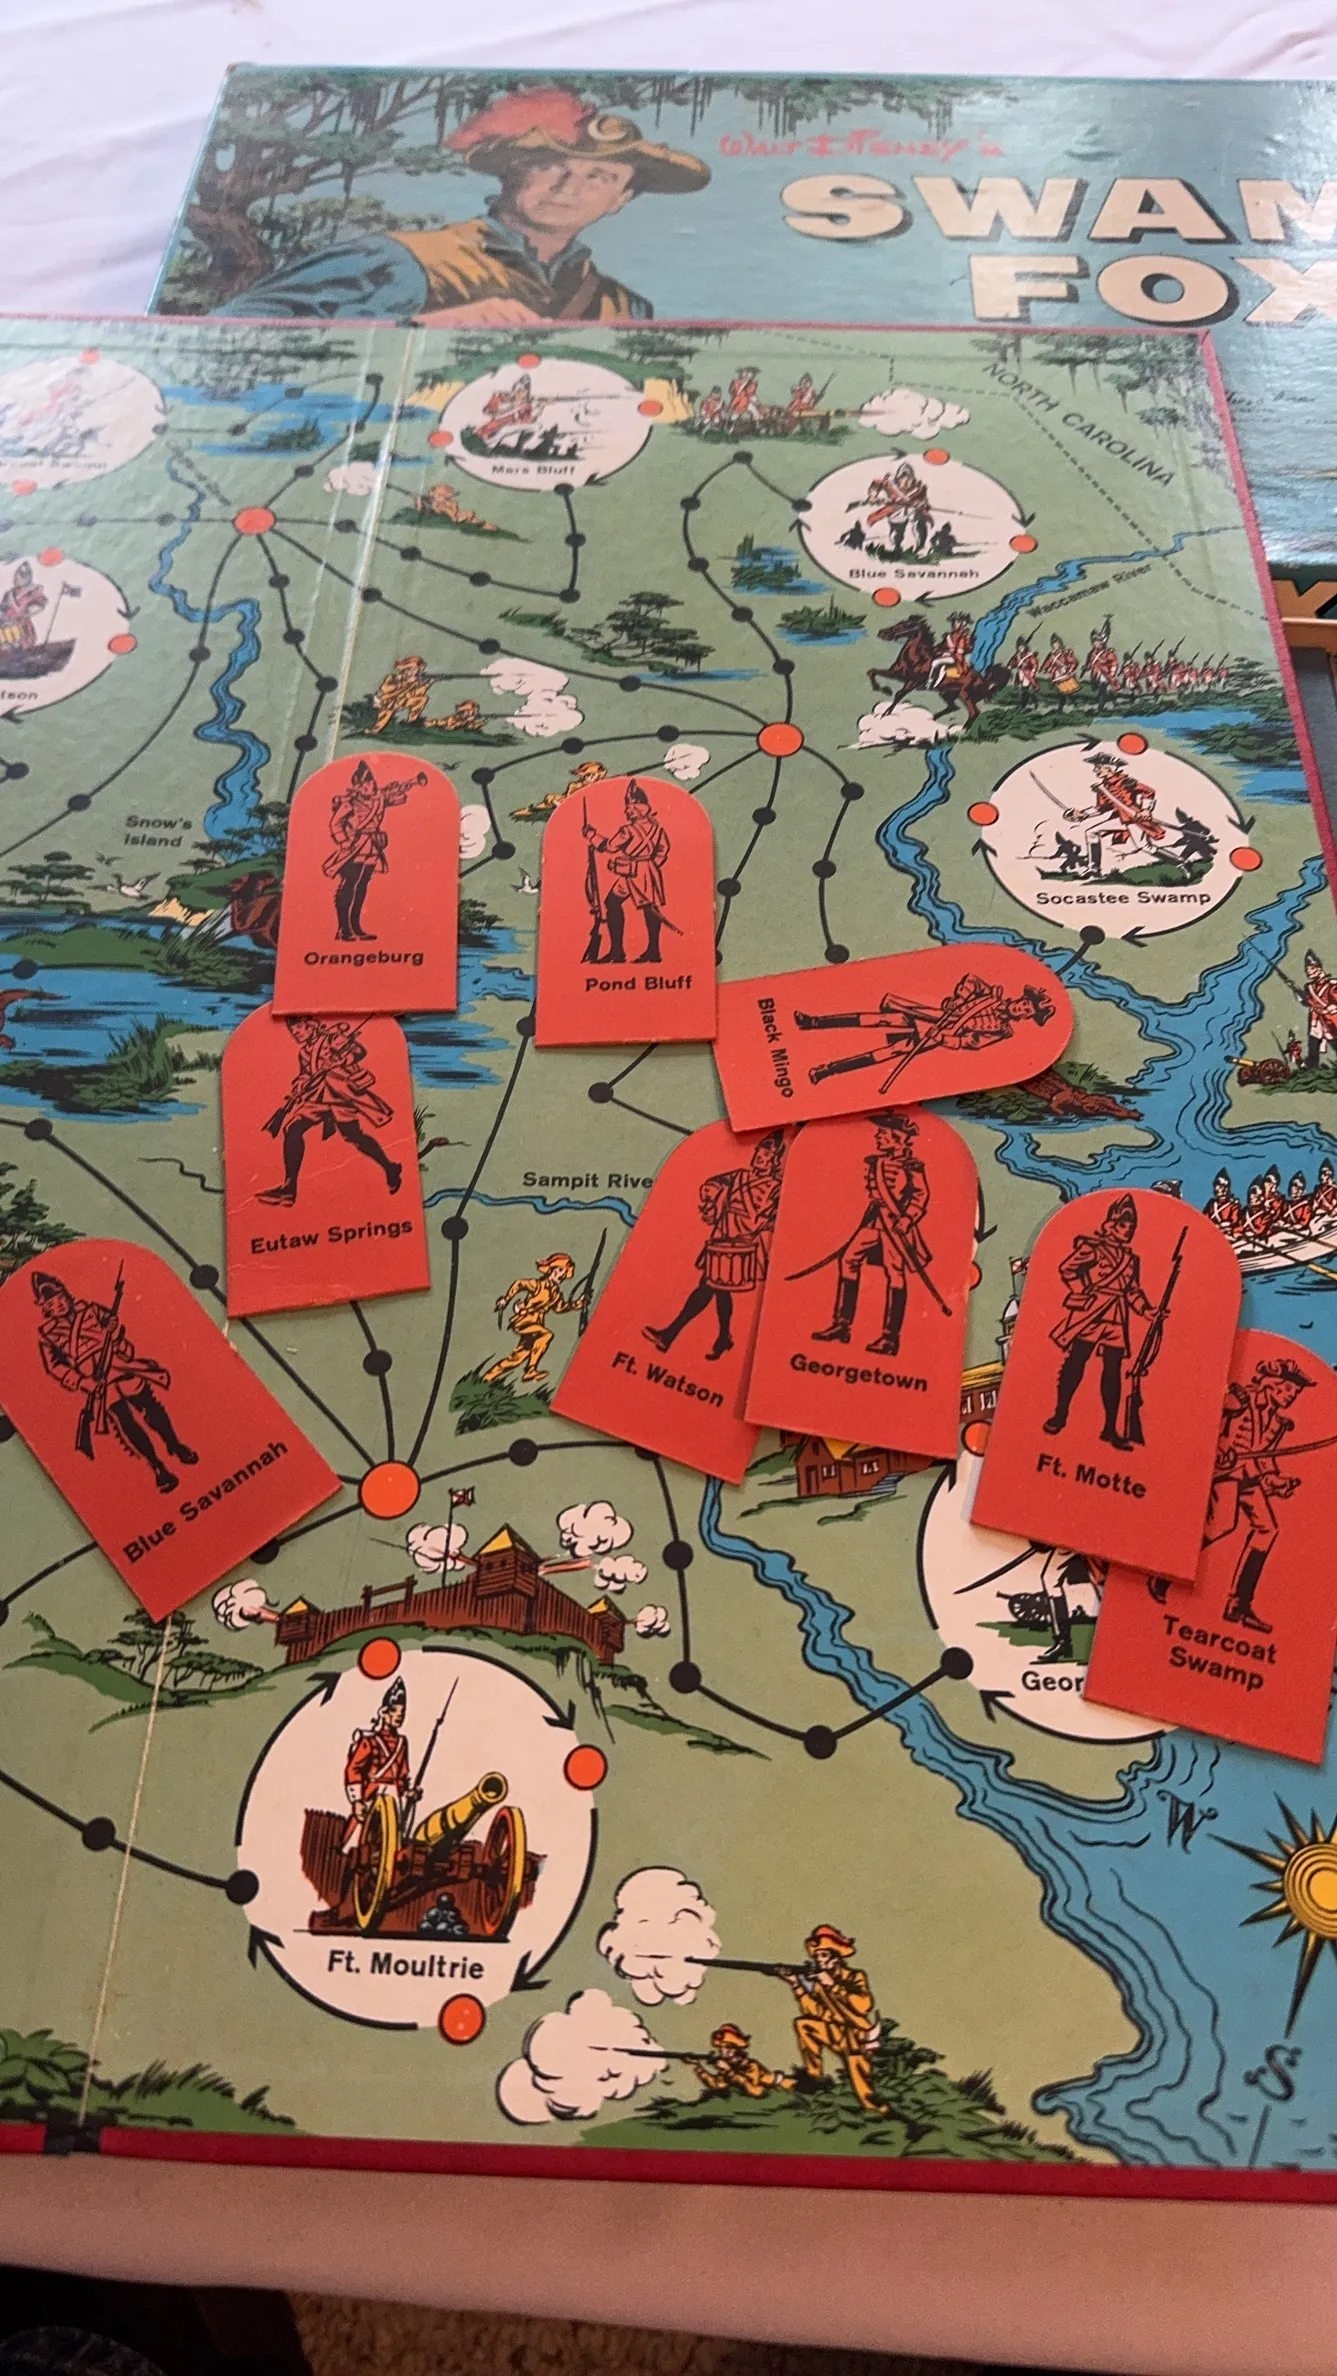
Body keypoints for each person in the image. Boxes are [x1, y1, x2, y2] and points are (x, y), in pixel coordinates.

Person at [217, 88, 709, 324]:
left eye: (599, 176)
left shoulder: (625, 308)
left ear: (620, 199)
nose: (568, 186)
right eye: (549, 165)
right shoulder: (399, 259)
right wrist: (418, 327)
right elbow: (227, 331)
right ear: (513, 172)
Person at [32, 1268, 197, 1495]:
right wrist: (82, 1382)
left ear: (66, 1295)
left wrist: (114, 1330)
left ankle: (175, 1445)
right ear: (45, 1308)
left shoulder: (90, 1309)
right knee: (126, 1423)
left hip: (118, 1365)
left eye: (59, 1298)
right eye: (50, 1304)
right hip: (96, 1381)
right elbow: (55, 1367)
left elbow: (117, 1329)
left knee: (150, 1407)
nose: (58, 1305)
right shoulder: (47, 1334)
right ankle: (157, 1467)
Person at [644, 1131, 785, 1363]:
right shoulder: (739, 1176)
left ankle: (671, 1334)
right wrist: (710, 1198)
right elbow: (712, 1184)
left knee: (709, 1287)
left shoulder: (776, 1187)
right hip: (721, 1239)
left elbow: (781, 1214)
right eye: (759, 1153)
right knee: (718, 1289)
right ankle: (721, 1337)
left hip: (743, 1245)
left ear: (775, 1161)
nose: (760, 1158)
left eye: (766, 1156)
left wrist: (763, 1222)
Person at [811, 1112, 934, 1356]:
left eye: (882, 1134)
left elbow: (920, 1195)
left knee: (895, 1273)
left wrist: (907, 1219)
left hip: (895, 1226)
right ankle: (842, 1326)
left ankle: (890, 1338)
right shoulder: (876, 1163)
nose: (878, 1137)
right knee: (848, 1259)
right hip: (874, 1221)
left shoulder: (912, 1166)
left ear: (897, 1138)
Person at [1206, 1357, 1312, 1632]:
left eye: (1295, 1392)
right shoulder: (1240, 1398)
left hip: (1249, 1478)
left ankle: (1238, 1604)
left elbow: (1264, 1458)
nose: (1291, 1396)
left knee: (1267, 1529)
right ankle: (1165, 1575)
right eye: (1288, 1389)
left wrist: (1275, 1480)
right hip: (1226, 1473)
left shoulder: (1277, 1421)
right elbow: (1209, 1422)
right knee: (1221, 1524)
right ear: (1273, 1383)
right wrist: (1221, 1448)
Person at [1043, 1192, 1153, 1449]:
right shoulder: (1092, 1248)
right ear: (1111, 1224)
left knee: (1113, 1372)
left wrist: (1146, 1310)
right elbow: (1067, 1269)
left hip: (1116, 1316)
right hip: (1092, 1313)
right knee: (1076, 1362)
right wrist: (1082, 1292)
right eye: (1124, 1224)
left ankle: (1110, 1429)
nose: (1128, 1230)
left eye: (1131, 1226)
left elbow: (1132, 1290)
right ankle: (1060, 1415)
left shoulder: (1131, 1260)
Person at [259, 1017, 402, 1207]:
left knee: (354, 1137)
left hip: (339, 1095)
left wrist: (340, 1060)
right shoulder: (304, 1052)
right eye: (293, 1031)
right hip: (318, 1096)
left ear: (311, 1025)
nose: (296, 1033)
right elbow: (306, 1073)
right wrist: (300, 1084)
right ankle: (289, 1188)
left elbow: (359, 1052)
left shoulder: (332, 1038)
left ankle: (390, 1168)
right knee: (292, 1130)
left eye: (299, 1027)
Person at [785, 1926, 886, 2116]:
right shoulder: (820, 1984)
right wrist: (796, 1985)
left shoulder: (855, 1977)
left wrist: (833, 1986)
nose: (819, 1960)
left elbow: (863, 2005)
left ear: (836, 1958)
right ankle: (815, 2079)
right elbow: (814, 2011)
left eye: (824, 1955)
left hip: (857, 2036)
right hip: (835, 2032)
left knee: (863, 2086)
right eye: (817, 1956)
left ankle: (878, 2112)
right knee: (803, 2024)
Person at [320, 758, 422, 943]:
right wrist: (343, 841)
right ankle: (343, 929)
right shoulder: (350, 802)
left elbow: (400, 799)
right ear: (358, 786)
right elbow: (335, 823)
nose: (371, 786)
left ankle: (356, 927)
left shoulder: (379, 799)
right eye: (366, 783)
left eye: (372, 782)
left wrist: (403, 787)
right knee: (350, 884)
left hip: (373, 845)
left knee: (362, 885)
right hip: (355, 846)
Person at [583, 779, 671, 965]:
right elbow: (663, 850)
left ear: (637, 808)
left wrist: (592, 835)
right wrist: (650, 866)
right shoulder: (657, 829)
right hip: (644, 873)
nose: (626, 811)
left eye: (629, 807)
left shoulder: (628, 830)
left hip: (634, 873)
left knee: (639, 908)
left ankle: (628, 952)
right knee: (641, 908)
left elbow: (609, 847)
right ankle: (632, 952)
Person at [483, 1252, 586, 1388]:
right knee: (546, 1335)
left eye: (564, 1272)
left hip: (537, 1323)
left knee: (516, 1359)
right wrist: (506, 1299)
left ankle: (486, 1378)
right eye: (560, 1270)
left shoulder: (556, 1293)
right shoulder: (538, 1285)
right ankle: (530, 1370)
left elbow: (560, 1307)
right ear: (551, 1270)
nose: (561, 1275)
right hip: (525, 1320)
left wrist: (577, 1304)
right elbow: (519, 1284)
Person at [342, 1677, 412, 1853]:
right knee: (357, 1841)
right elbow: (353, 1769)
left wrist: (407, 1792)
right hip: (372, 1794)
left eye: (402, 1712)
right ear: (384, 1713)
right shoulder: (369, 1741)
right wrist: (357, 1801)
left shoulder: (402, 1743)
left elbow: (402, 1774)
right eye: (394, 1711)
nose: (399, 1715)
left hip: (394, 1798)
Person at [689, 2023, 794, 2101]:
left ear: (737, 2049)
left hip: (786, 2090)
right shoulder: (730, 2067)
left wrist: (729, 2071)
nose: (724, 2052)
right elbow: (717, 2084)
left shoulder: (751, 2066)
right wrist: (698, 2068)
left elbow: (756, 2091)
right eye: (721, 2048)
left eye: (728, 2047)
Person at [511, 755, 607, 824]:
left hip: (576, 813)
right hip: (564, 806)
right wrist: (557, 803)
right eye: (587, 774)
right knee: (549, 800)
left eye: (592, 775)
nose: (588, 777)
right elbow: (567, 800)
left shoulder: (597, 789)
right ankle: (530, 811)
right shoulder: (575, 785)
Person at [371, 655, 433, 734]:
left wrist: (427, 684)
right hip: (385, 701)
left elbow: (416, 693)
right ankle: (374, 730)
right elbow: (385, 688)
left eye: (417, 670)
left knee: (422, 699)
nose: (415, 672)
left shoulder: (413, 681)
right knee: (385, 714)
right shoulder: (392, 677)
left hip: (400, 701)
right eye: (413, 670)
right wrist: (405, 683)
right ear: (406, 670)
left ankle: (412, 721)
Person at [1300, 948, 1337, 1068]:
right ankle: (1311, 1067)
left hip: (1331, 1022)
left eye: (1310, 968)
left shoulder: (1332, 985)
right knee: (1313, 1046)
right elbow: (1306, 1002)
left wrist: (1327, 1010)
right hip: (1317, 1022)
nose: (1307, 972)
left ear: (1318, 968)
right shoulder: (1310, 987)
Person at [1205, 1170, 1245, 1237]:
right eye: (1216, 1185)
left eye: (1221, 1186)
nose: (1217, 1188)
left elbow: (1236, 1223)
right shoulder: (1211, 1203)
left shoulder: (1233, 1205)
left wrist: (1224, 1227)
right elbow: (1204, 1218)